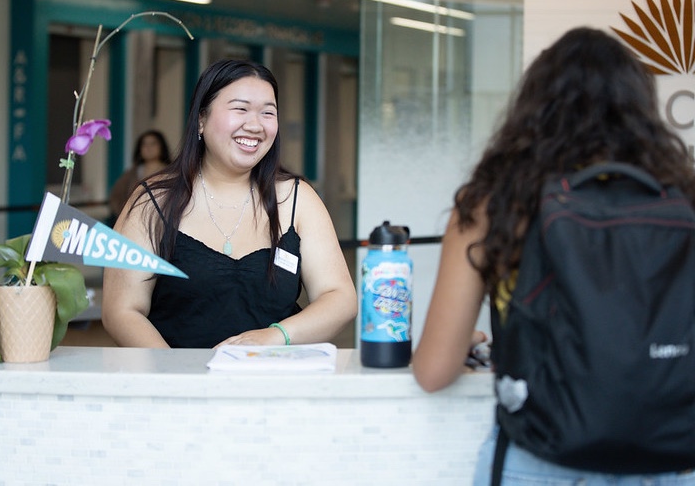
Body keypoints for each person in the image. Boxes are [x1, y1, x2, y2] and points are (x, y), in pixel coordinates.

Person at [412, 27, 695, 485]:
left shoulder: (495, 203)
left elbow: (433, 371)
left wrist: (466, 343)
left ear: (534, 108)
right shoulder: (683, 203)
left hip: (538, 461)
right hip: (666, 463)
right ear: (642, 108)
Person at [102, 59, 357, 348]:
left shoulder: (296, 199)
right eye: (240, 109)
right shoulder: (153, 202)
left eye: (267, 113)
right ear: (201, 119)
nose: (255, 125)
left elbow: (339, 297)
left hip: (275, 383)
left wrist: (276, 336)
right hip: (180, 385)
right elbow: (122, 311)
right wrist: (179, 377)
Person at [107, 129, 171, 223]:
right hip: (134, 223)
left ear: (162, 147)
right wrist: (125, 214)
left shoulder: (171, 172)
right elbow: (115, 196)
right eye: (144, 144)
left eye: (153, 144)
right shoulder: (132, 173)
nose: (148, 148)